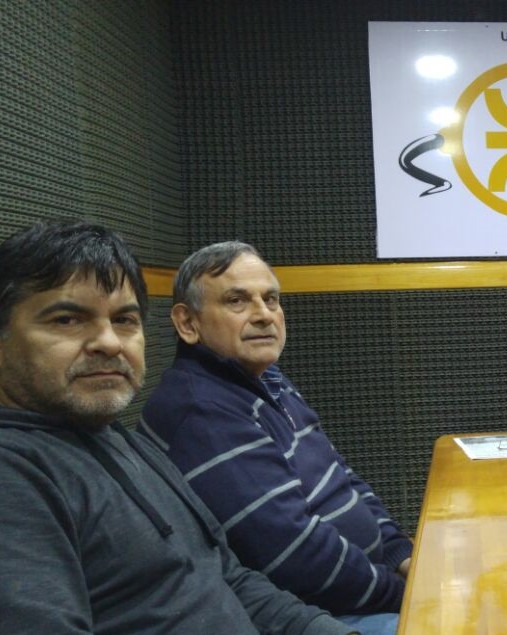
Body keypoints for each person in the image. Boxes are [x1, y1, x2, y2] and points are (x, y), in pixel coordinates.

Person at [0, 221, 351, 635]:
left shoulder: (118, 438)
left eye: (124, 320)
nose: (109, 342)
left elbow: (228, 576)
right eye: (67, 320)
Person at [139, 241, 411, 635]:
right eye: (238, 301)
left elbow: (342, 478)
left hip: (368, 589)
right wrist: (406, 592)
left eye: (271, 299)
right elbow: (298, 559)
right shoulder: (201, 411)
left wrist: (400, 553)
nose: (264, 315)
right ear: (187, 324)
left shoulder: (265, 378)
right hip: (319, 616)